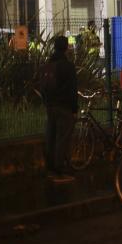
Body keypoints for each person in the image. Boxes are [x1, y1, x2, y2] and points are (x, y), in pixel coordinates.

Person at [40, 36, 78, 182]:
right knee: (62, 139)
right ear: (66, 48)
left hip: (50, 106)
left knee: (51, 137)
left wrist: (47, 103)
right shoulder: (68, 66)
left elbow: (43, 87)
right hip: (64, 107)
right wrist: (74, 109)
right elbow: (72, 90)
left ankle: (50, 169)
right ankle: (60, 171)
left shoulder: (48, 64)